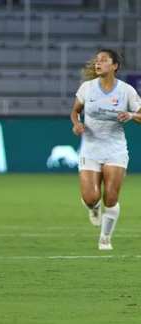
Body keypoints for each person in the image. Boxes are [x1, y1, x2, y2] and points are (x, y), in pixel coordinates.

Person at [70, 48, 141, 250]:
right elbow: (75, 111)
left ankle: (105, 238)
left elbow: (140, 116)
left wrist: (131, 115)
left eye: (103, 60)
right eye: (97, 60)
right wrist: (76, 123)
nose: (97, 63)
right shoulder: (87, 88)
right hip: (91, 148)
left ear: (114, 66)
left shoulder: (126, 91)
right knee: (91, 197)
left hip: (115, 150)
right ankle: (93, 208)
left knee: (111, 197)